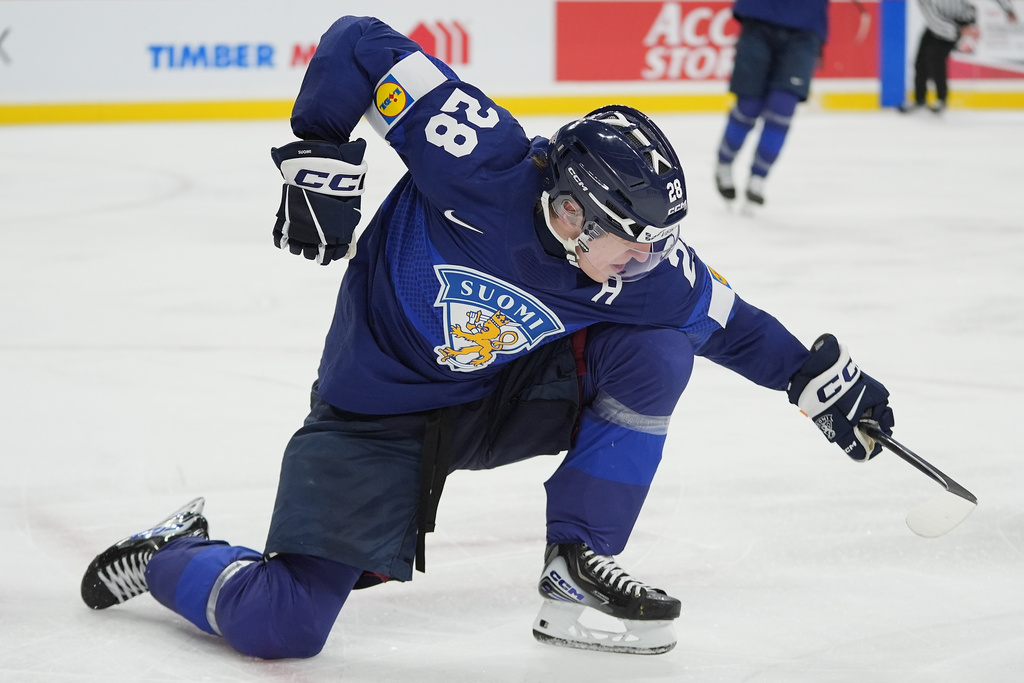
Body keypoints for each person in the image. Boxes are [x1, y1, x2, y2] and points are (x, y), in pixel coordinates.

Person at [80, 15, 895, 659]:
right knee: (281, 626)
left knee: (657, 348)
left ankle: (574, 564)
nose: (650, 256)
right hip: (373, 414)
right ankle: (167, 551)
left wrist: (813, 380)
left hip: (503, 396)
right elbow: (357, 44)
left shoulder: (645, 271)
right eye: (634, 236)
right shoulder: (476, 155)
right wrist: (321, 155)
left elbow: (733, 324)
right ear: (572, 209)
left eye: (657, 238)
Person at [714, 0, 862, 206]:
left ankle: (759, 176)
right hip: (760, 17)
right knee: (749, 105)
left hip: (805, 27)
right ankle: (724, 163)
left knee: (782, 106)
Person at [900, 0, 1017, 114]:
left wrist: (1008, 9)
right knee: (920, 62)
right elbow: (932, 19)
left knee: (936, 61)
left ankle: (941, 99)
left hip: (961, 20)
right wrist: (959, 30)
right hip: (938, 25)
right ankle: (920, 99)